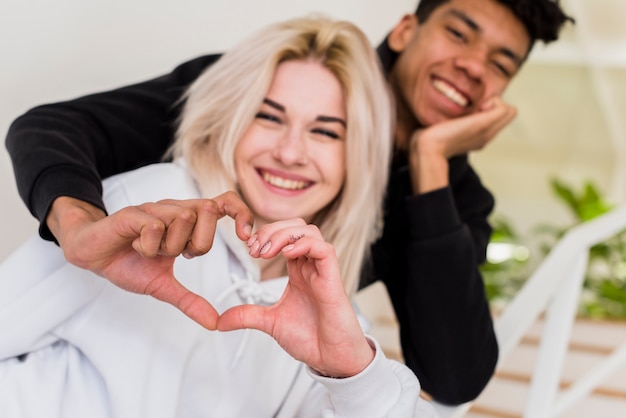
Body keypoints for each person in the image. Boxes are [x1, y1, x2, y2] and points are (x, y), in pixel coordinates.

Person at [5, 0, 574, 405]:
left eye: (501, 64)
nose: (291, 151)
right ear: (405, 29)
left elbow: (454, 376)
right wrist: (80, 229)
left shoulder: (449, 199)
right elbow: (56, 128)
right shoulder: (276, 78)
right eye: (459, 32)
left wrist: (430, 164)